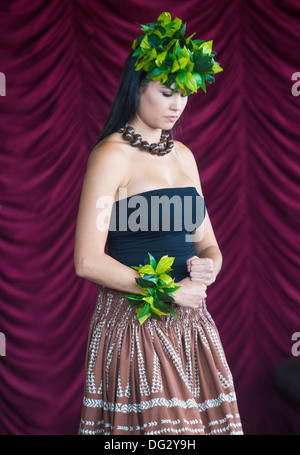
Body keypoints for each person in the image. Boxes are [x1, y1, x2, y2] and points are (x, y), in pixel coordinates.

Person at [74, 12, 243, 435]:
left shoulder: (184, 155)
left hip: (192, 324)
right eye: (167, 92)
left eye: (184, 94)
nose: (177, 105)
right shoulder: (109, 156)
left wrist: (209, 269)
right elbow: (88, 261)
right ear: (138, 87)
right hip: (136, 324)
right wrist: (169, 290)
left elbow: (209, 246)